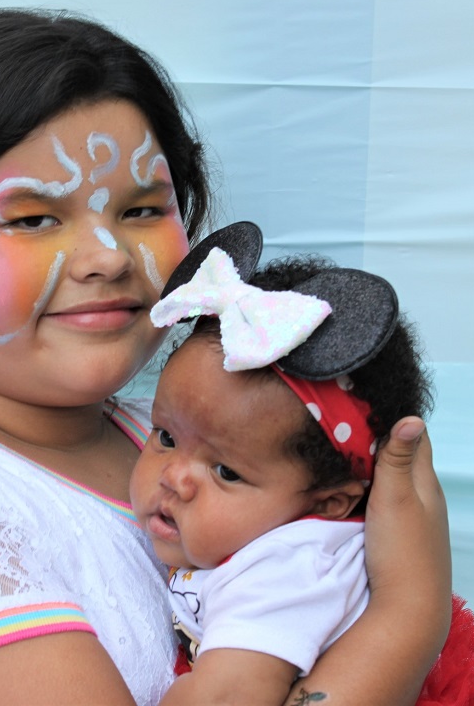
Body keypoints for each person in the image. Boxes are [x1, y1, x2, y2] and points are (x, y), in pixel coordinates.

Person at [0, 8, 450, 706]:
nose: (106, 258)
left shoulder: (172, 437)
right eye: (34, 219)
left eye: (140, 211)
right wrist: (408, 618)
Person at [130, 235, 438, 704]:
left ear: (330, 504)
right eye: (166, 437)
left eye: (226, 472)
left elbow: (224, 697)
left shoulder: (286, 569)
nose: (174, 477)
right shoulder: (255, 538)